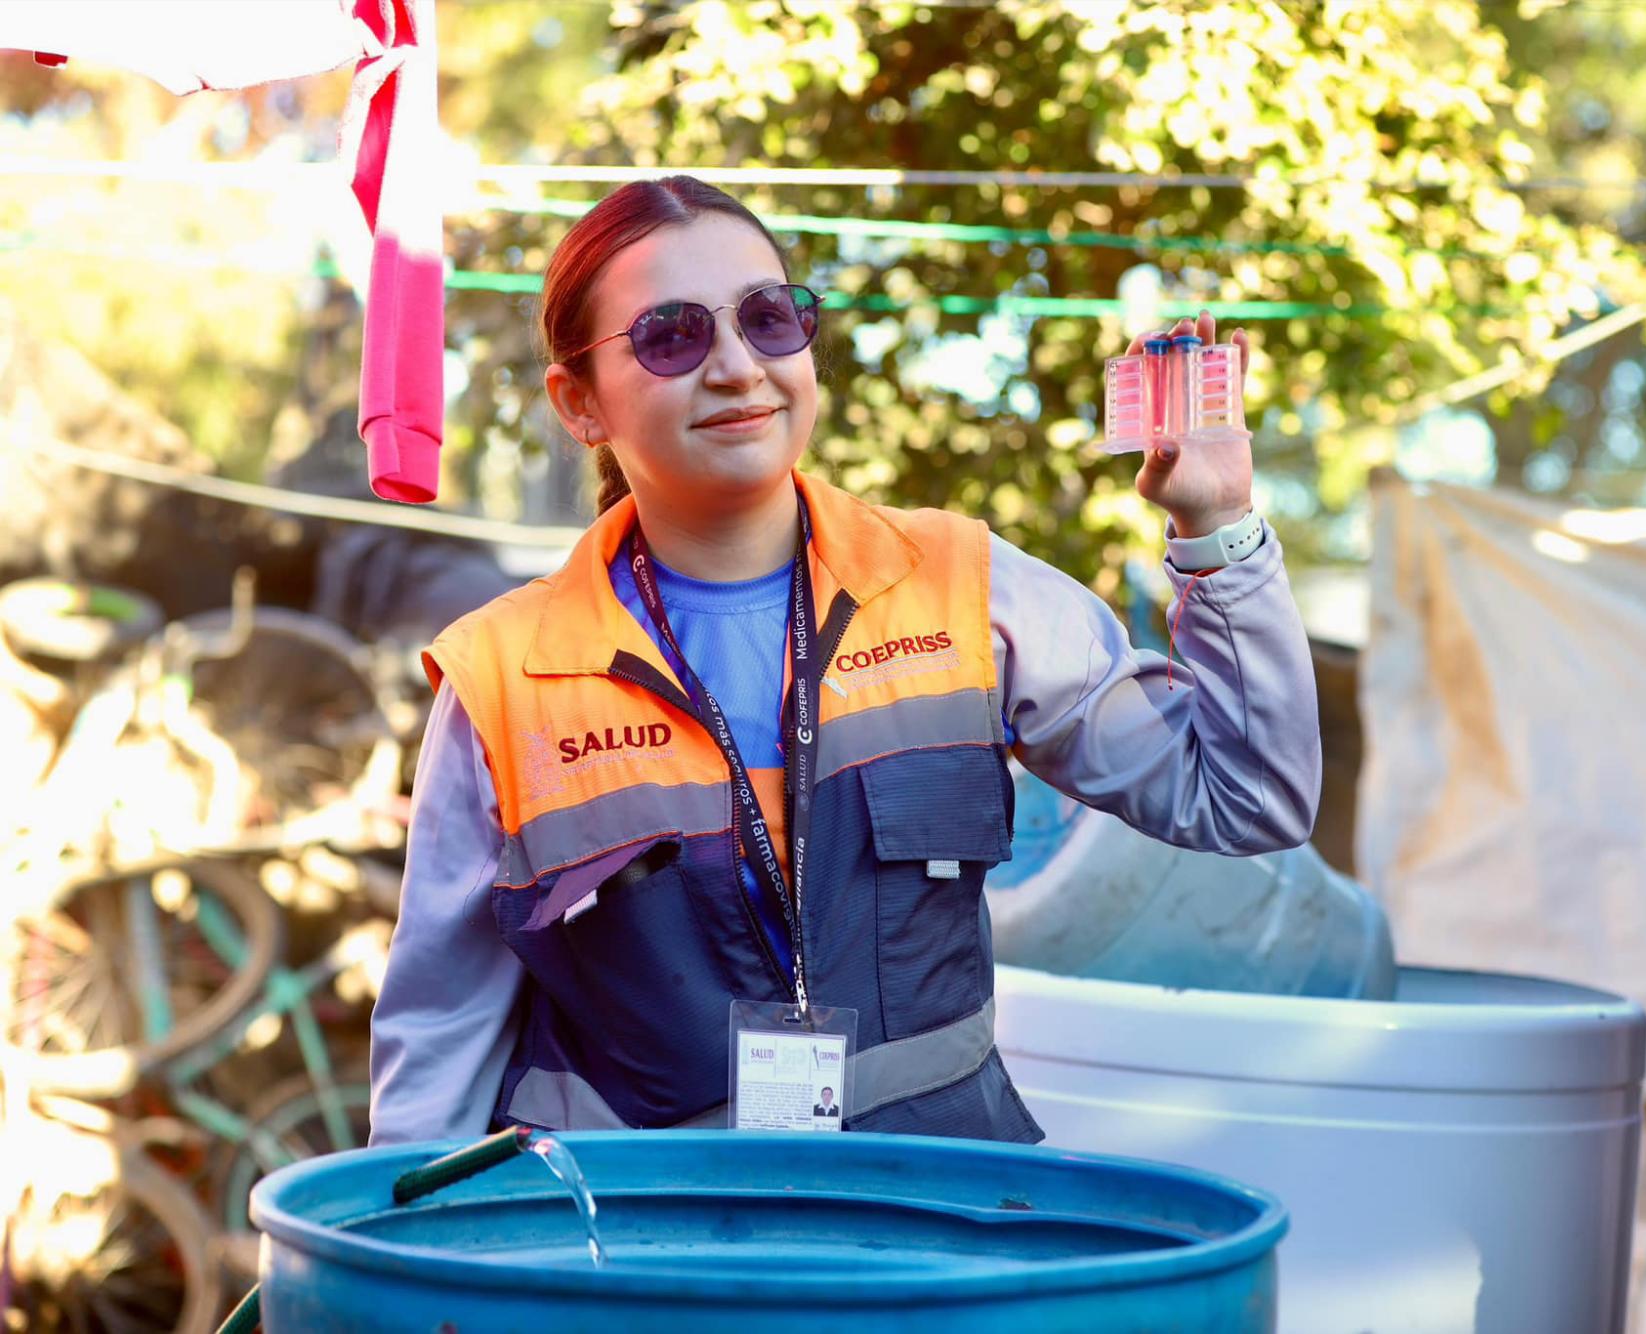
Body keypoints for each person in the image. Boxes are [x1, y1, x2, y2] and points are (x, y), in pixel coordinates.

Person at [368, 176, 1321, 1146]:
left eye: (767, 318)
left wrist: (1216, 527)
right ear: (580, 404)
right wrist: (398, 1265)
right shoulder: (502, 676)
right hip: (641, 1258)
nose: (737, 366)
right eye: (671, 335)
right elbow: (438, 1045)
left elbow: (1248, 797)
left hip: (927, 1240)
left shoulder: (961, 586)